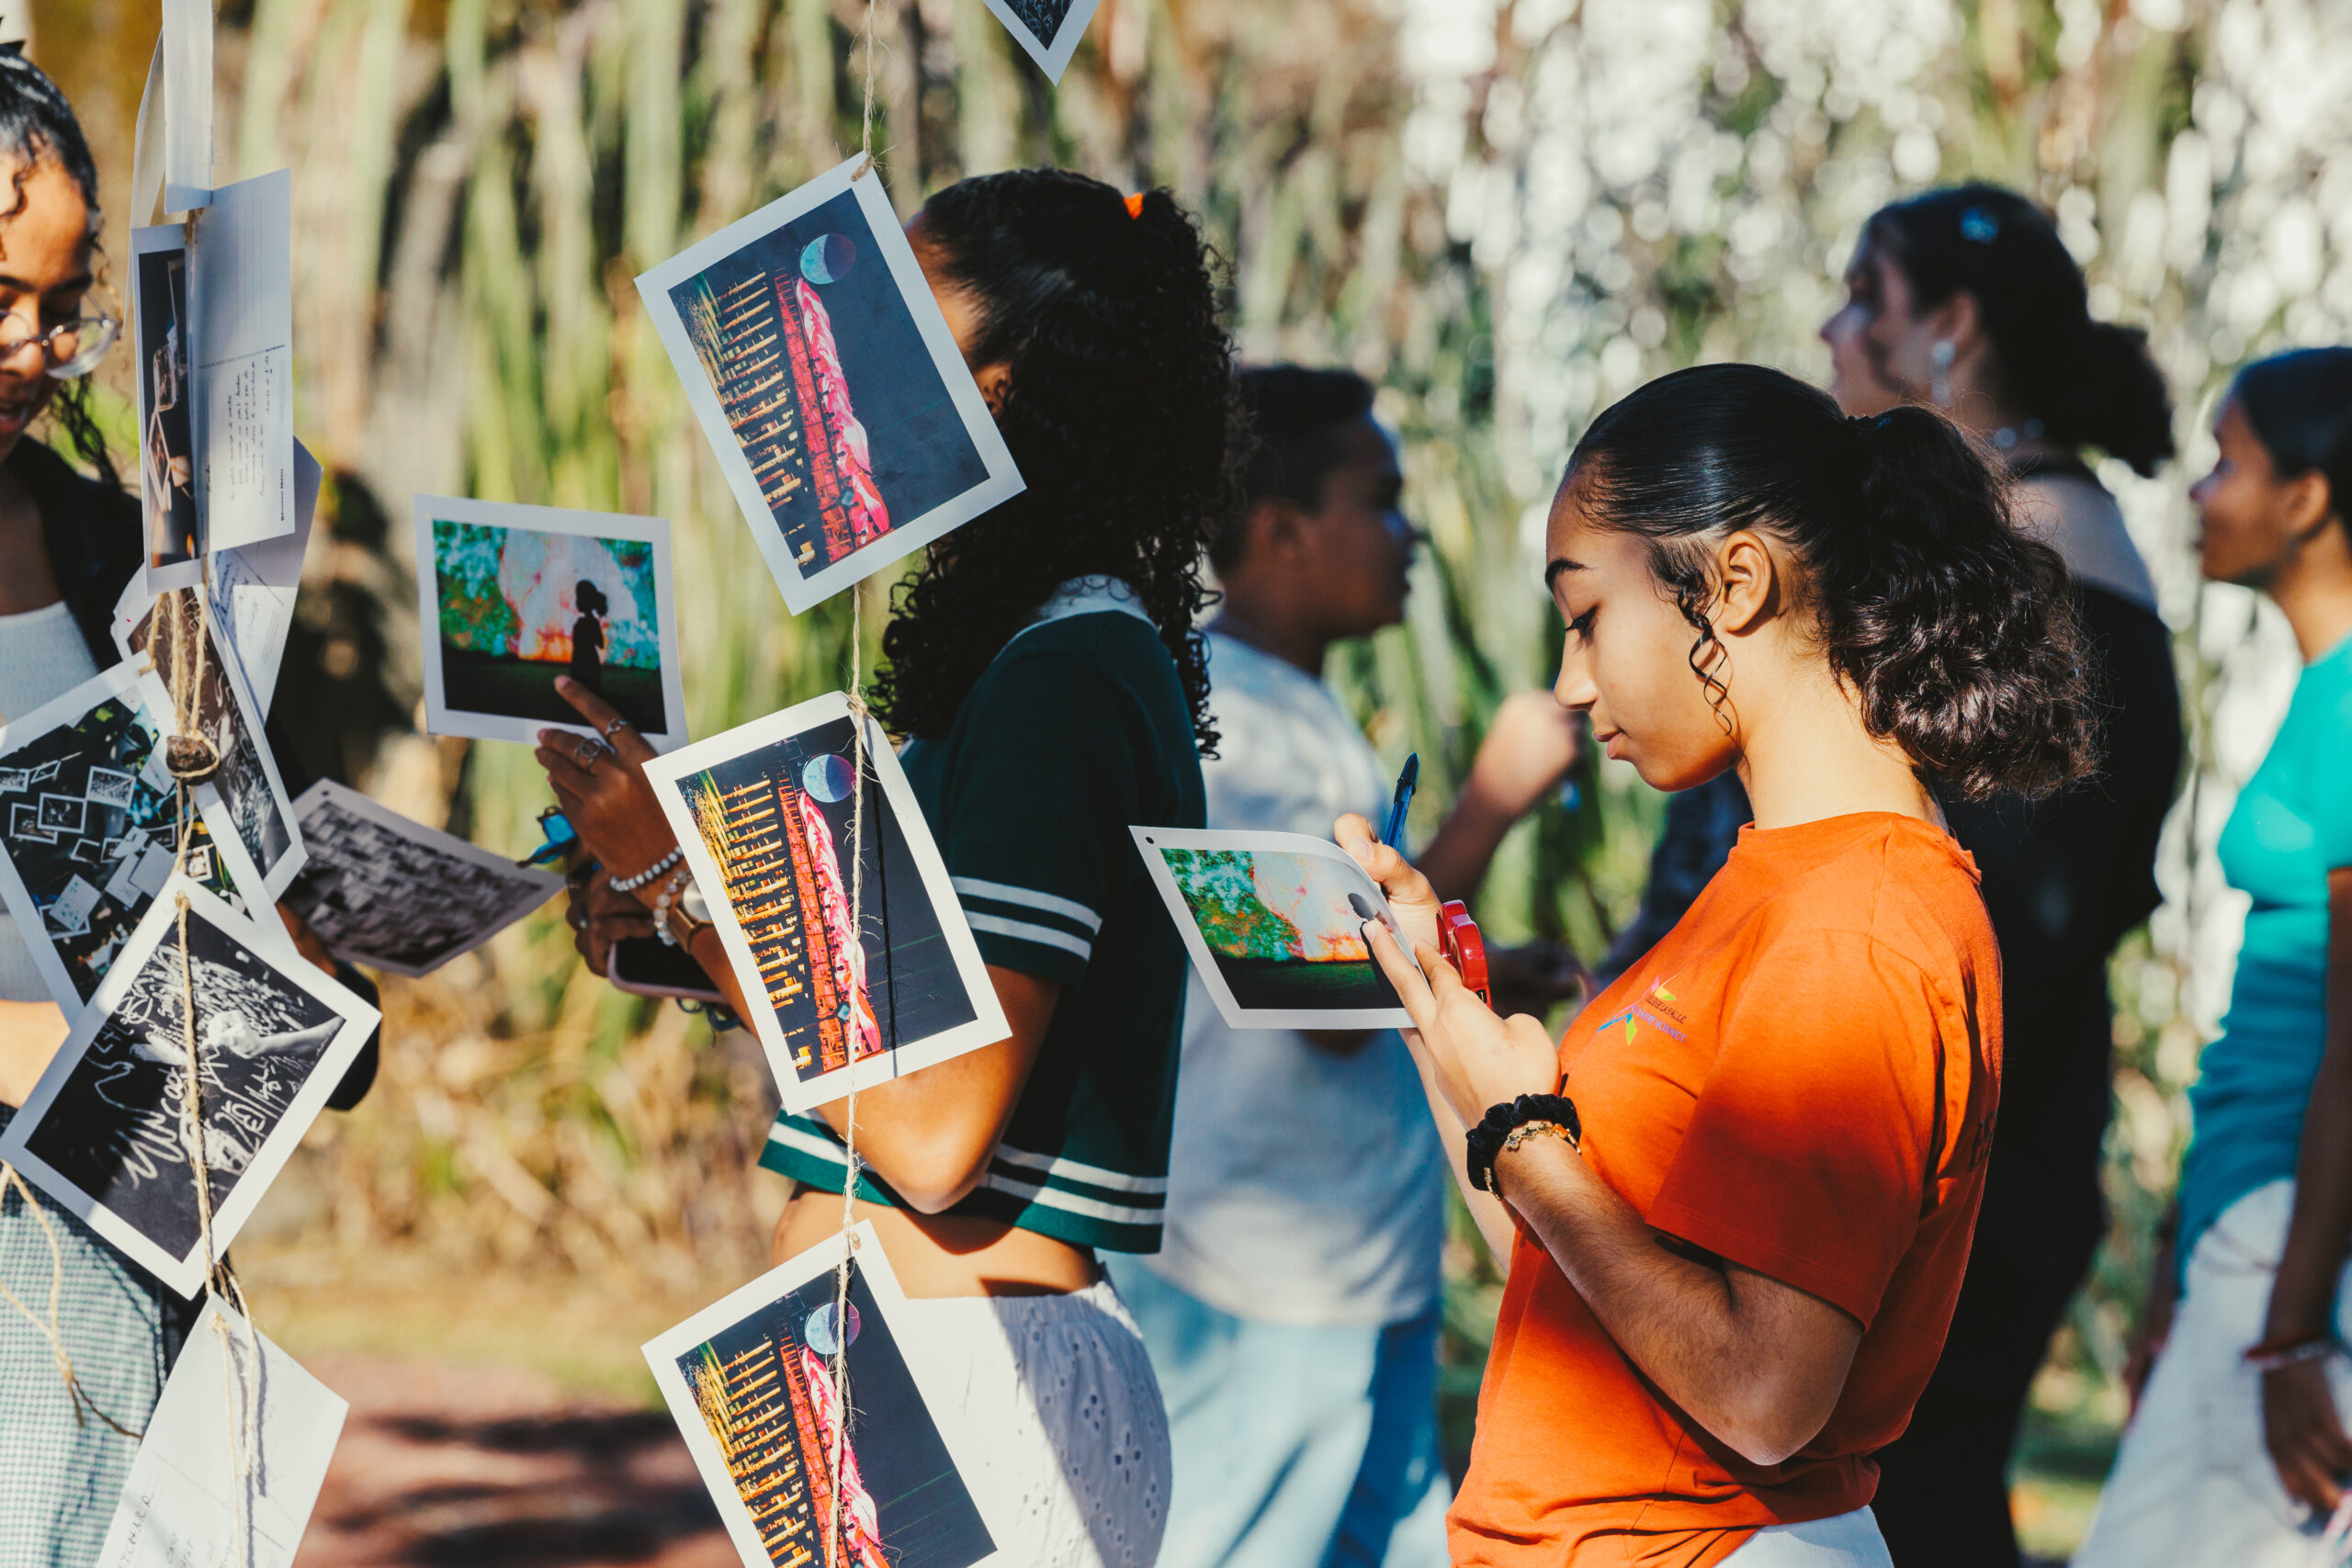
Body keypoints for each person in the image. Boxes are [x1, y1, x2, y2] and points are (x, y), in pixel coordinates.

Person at [541, 168, 1238, 1568]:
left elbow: (930, 1134)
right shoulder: (1036, 659)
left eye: (891, 324)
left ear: (1006, 389)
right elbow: (895, 1039)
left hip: (976, 1381)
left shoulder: (1067, 675)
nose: (834, 366)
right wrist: (673, 917)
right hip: (913, 1364)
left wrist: (688, 888)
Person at [1342, 362, 2096, 1566]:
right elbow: (1572, 1275)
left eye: (1587, 616)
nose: (1570, 682)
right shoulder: (1777, 886)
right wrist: (1448, 1026)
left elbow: (1762, 1393)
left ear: (1734, 582)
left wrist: (1525, 1132)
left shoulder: (1856, 926)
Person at [1590, 185, 2184, 1567]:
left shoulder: (2063, 583)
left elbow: (2001, 916)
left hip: (1926, 1169)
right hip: (1920, 1146)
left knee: (1910, 1500)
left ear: (1951, 327)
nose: (1830, 329)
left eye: (1866, 296)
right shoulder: (2044, 563)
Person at [1104, 364, 1583, 1568]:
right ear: (1280, 533)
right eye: (1379, 499)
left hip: (1350, 1257)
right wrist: (1492, 802)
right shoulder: (1233, 721)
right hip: (1261, 1277)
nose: (1406, 533)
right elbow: (1320, 994)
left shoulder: (1291, 705)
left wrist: (1481, 968)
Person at [0, 53, 377, 1564]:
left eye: (61, 304)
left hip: (119, 1260)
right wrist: (93, 1046)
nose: (31, 349)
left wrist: (292, 960)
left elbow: (213, 852)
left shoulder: (114, 543)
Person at [2075, 348, 2352, 1566]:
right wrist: (2174, 1276)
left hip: (2293, 1236)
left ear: (2306, 497)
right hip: (2247, 1219)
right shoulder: (2318, 691)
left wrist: (2288, 1331)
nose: (2197, 494)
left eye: (2225, 463)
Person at [568, 579, 607, 694]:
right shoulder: (594, 623)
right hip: (591, 662)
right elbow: (601, 644)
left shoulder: (579, 624)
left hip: (579, 661)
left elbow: (575, 644)